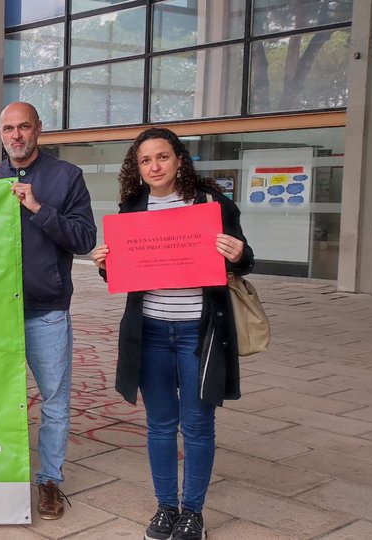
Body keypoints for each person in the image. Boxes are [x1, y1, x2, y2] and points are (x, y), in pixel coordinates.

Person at [90, 127, 252, 540]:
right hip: (152, 331)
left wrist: (240, 254)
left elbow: (243, 256)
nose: (155, 166)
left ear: (179, 159)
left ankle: (192, 513)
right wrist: (105, 262)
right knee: (160, 424)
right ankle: (166, 507)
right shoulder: (132, 207)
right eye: (146, 160)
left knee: (198, 425)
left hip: (199, 332)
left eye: (162, 157)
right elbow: (125, 271)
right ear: (138, 168)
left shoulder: (211, 203)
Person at [0, 101, 95, 520]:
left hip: (46, 311)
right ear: (0, 132)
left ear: (39, 129)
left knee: (55, 402)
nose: (16, 135)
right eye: (8, 128)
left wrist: (39, 210)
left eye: (24, 126)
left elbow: (83, 238)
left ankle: (49, 482)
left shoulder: (66, 177)